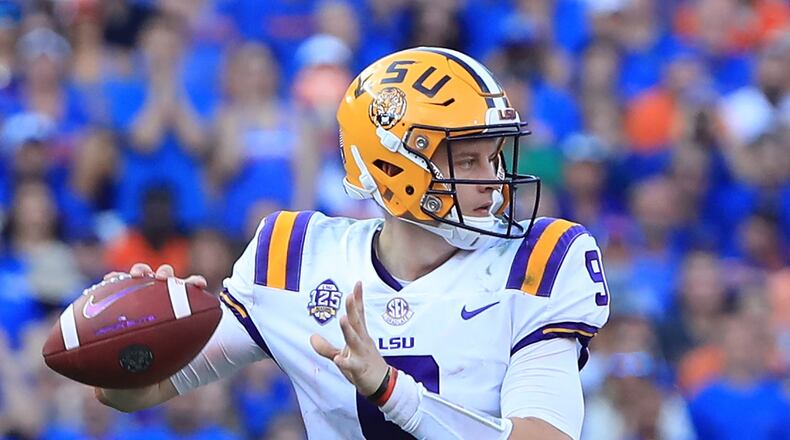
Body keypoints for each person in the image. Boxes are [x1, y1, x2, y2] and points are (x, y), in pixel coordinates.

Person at [94, 47, 611, 440]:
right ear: (393, 167)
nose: (493, 180)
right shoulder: (296, 257)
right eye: (468, 160)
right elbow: (133, 393)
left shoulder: (541, 261)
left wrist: (390, 391)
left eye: (495, 157)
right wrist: (127, 335)